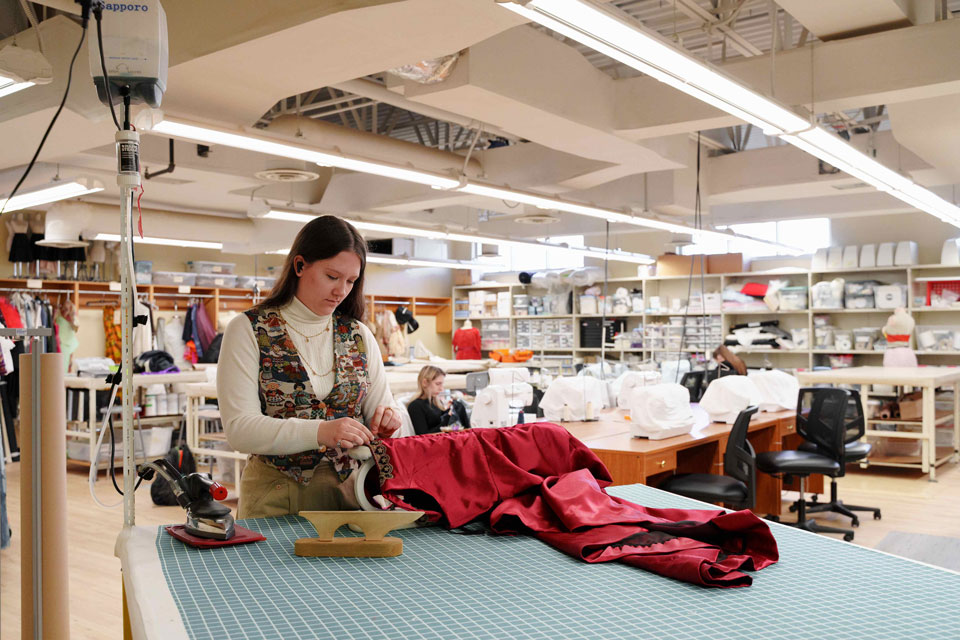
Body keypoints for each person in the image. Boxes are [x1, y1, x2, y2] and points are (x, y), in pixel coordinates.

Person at [219, 216, 404, 518]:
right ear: (300, 265)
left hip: (349, 496)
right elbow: (240, 430)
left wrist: (387, 423)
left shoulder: (358, 334)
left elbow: (380, 413)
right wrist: (321, 431)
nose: (341, 290)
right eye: (332, 276)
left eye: (351, 281)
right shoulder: (249, 329)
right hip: (274, 497)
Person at [407, 365, 470, 435]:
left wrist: (451, 410)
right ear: (425, 383)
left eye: (442, 384)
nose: (441, 389)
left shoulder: (435, 403)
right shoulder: (415, 406)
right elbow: (424, 436)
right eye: (438, 384)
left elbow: (438, 422)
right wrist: (446, 419)